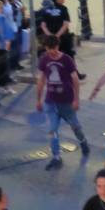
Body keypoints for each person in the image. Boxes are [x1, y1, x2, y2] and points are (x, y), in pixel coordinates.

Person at [36, 34, 89, 170]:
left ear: (58, 46)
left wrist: (76, 99)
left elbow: (75, 80)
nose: (51, 52)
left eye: (53, 48)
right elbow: (41, 80)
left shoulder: (67, 60)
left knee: (75, 126)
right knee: (52, 129)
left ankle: (82, 141)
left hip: (66, 101)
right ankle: (56, 156)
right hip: (51, 101)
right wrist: (38, 99)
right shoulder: (44, 59)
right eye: (49, 49)